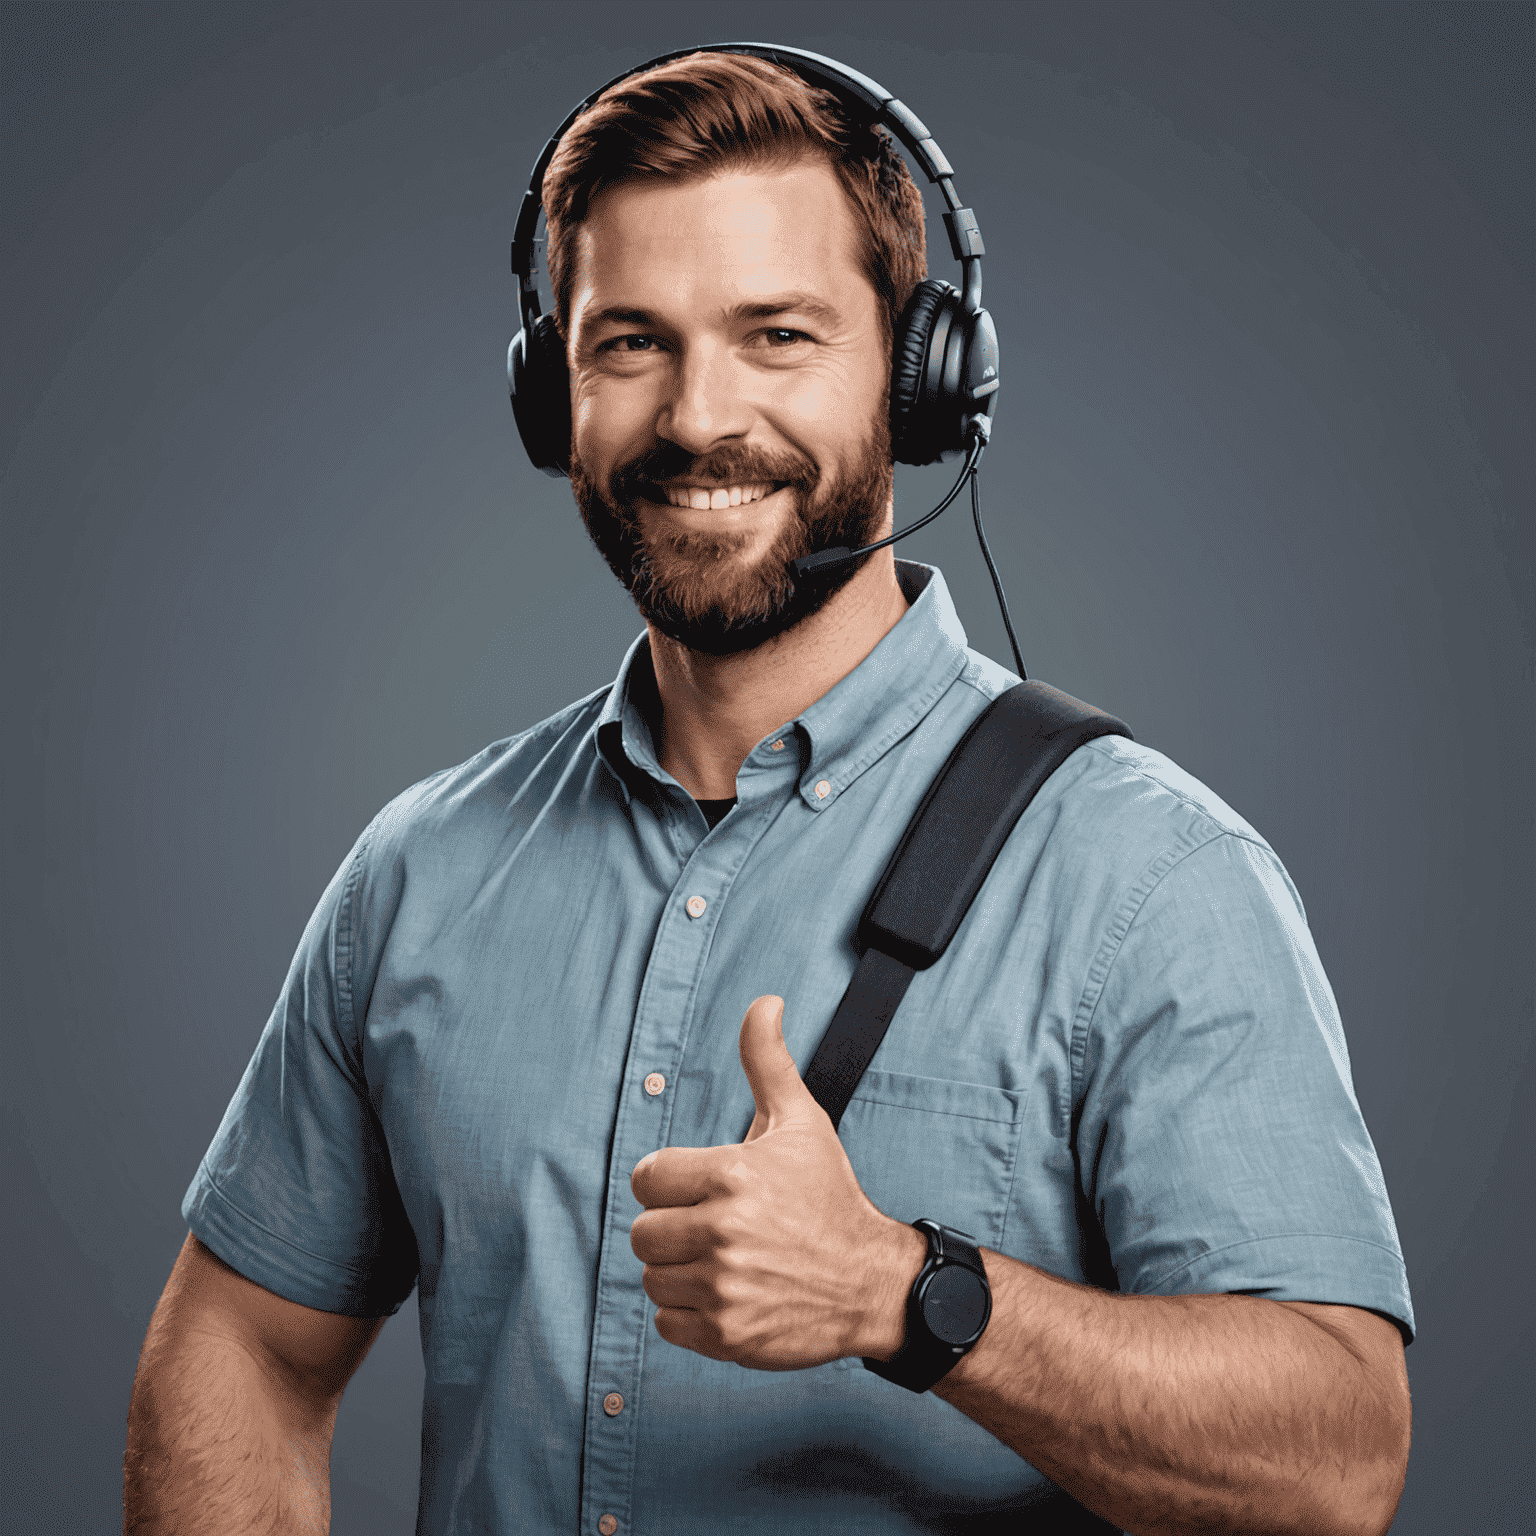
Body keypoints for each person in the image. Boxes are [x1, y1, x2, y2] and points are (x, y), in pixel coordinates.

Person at [124, 48, 1414, 1536]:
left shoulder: (1150, 875)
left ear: (923, 377)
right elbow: (242, 1344)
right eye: (630, 345)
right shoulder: (420, 871)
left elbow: (1335, 1460)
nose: (697, 418)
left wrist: (905, 1296)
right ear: (554, 395)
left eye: (778, 334)